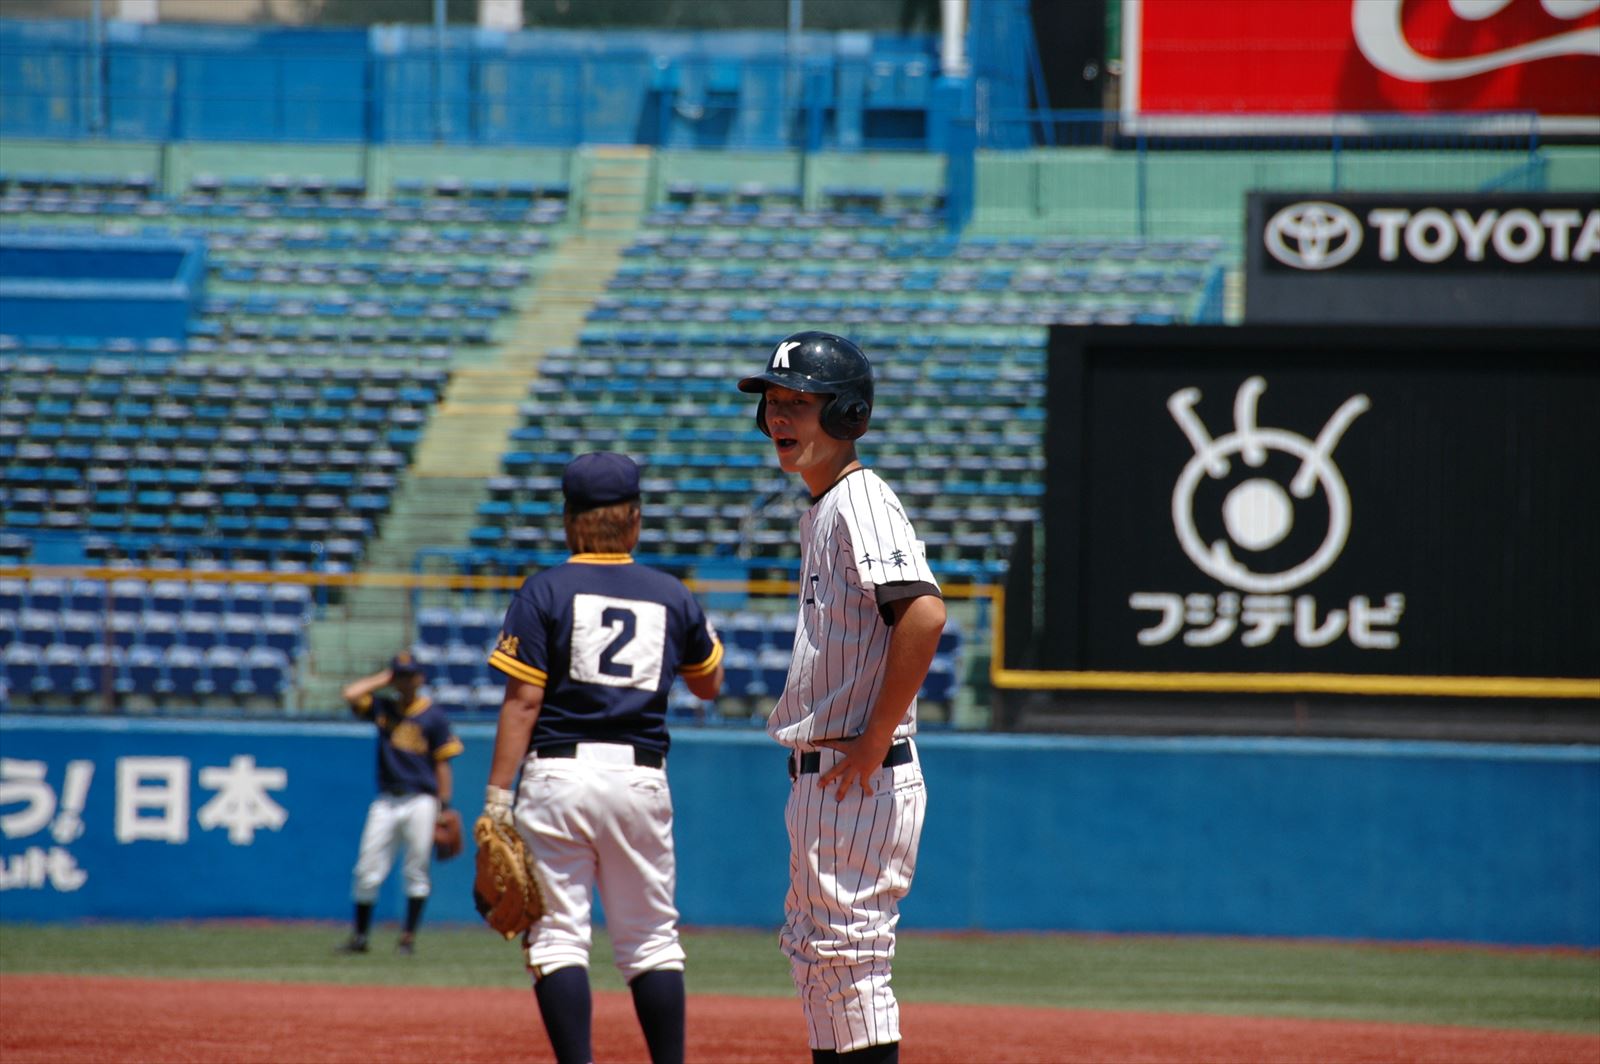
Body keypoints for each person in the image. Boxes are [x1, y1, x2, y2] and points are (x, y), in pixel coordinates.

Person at [737, 331, 946, 1064]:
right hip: (834, 776)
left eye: (799, 402)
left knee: (848, 959)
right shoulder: (827, 507)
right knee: (821, 955)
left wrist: (873, 736)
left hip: (859, 773)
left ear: (847, 413)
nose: (779, 415)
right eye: (773, 401)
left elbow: (923, 615)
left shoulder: (861, 500)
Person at [482, 451, 725, 1064]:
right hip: (638, 777)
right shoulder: (671, 593)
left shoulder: (544, 589)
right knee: (651, 942)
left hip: (557, 775)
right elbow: (709, 684)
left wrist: (497, 796)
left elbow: (523, 703)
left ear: (569, 520)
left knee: (557, 937)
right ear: (634, 519)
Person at [338, 652, 463, 956]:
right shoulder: (384, 707)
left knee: (416, 869)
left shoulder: (433, 716)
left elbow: (443, 763)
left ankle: (407, 938)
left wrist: (444, 806)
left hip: (422, 799)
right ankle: (360, 937)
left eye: (409, 675)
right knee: (367, 868)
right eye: (400, 675)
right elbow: (350, 694)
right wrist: (385, 678)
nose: (404, 682)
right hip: (386, 799)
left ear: (420, 678)